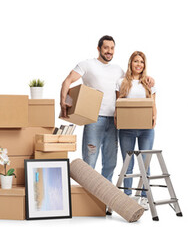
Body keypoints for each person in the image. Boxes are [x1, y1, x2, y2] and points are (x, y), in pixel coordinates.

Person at [59, 35, 154, 181]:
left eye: (112, 48)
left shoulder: (118, 70)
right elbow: (67, 81)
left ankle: (104, 194)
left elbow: (133, 79)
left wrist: (148, 78)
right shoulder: (87, 64)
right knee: (90, 161)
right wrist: (63, 101)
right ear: (99, 48)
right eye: (106, 48)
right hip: (94, 119)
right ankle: (87, 193)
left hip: (114, 122)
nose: (109, 51)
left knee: (110, 163)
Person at [115, 51, 156, 206]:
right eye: (136, 61)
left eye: (141, 62)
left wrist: (154, 117)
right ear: (130, 63)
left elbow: (153, 104)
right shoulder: (121, 82)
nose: (139, 64)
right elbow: (117, 105)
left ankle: (145, 196)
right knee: (128, 164)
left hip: (146, 129)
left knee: (145, 163)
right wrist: (117, 118)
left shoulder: (149, 82)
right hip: (127, 129)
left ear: (144, 65)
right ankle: (128, 196)